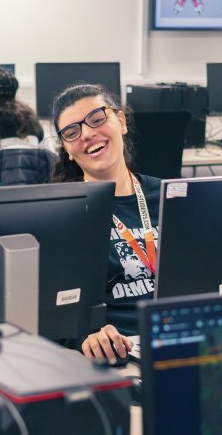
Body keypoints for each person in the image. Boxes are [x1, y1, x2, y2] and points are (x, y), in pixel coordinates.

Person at [52, 82, 161, 364]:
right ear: (66, 149)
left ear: (121, 121)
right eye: (72, 132)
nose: (88, 133)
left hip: (180, 339)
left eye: (97, 118)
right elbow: (55, 318)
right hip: (119, 359)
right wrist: (86, 337)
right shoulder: (63, 216)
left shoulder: (170, 196)